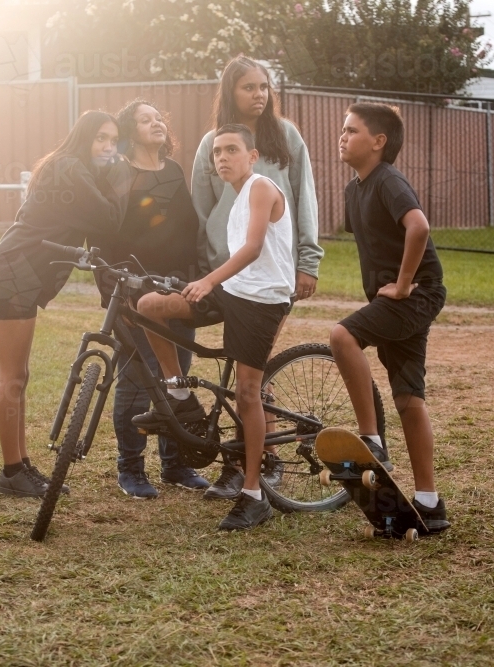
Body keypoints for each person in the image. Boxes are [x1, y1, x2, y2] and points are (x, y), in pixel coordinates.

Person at [133, 124, 294, 531]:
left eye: (231, 150)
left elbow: (253, 248)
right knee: (149, 306)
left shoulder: (260, 187)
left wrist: (208, 280)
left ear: (252, 155)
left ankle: (254, 494)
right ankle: (180, 393)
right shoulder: (235, 195)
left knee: (246, 393)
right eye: (217, 152)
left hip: (262, 300)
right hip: (233, 291)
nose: (221, 157)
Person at [192, 54, 324, 501]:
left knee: (251, 374)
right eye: (249, 87)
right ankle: (240, 461)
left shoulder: (285, 137)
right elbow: (202, 209)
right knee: (234, 372)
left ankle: (259, 465)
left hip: (269, 276)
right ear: (230, 92)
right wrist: (209, 272)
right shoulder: (213, 143)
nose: (259, 94)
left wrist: (308, 260)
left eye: (264, 86)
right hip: (224, 276)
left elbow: (305, 198)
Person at [0, 111, 130, 499]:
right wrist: (122, 176)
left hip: (15, 273)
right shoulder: (70, 169)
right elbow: (110, 220)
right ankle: (12, 472)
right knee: (11, 377)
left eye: (113, 140)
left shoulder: (68, 168)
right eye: (100, 138)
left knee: (19, 376)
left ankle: (21, 465)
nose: (108, 147)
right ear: (82, 137)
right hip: (12, 274)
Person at [330, 102, 451, 532]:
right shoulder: (354, 189)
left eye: (352, 130)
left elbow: (418, 227)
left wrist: (401, 285)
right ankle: (429, 503)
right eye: (342, 130)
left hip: (415, 296)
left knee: (342, 337)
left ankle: (372, 441)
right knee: (408, 399)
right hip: (403, 302)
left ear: (379, 142)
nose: (342, 136)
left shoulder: (388, 180)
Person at [91, 99, 210, 499]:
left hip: (178, 290)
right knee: (137, 382)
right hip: (133, 293)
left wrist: (195, 281)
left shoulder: (174, 171)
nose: (156, 123)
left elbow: (187, 231)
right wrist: (112, 289)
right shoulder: (119, 173)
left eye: (160, 117)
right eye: (145, 120)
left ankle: (175, 465)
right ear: (130, 131)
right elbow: (103, 235)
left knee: (177, 378)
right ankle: (131, 468)